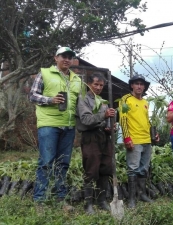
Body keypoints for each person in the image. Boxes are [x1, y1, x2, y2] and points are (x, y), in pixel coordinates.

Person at [29, 47, 81, 212]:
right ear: (55, 58)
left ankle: (61, 200)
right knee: (46, 162)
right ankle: (39, 201)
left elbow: (79, 103)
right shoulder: (44, 73)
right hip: (49, 124)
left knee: (63, 164)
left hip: (69, 126)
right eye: (63, 56)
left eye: (70, 57)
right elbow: (32, 95)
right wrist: (50, 100)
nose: (67, 59)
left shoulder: (76, 79)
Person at [76, 73, 115, 214]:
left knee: (106, 168)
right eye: (95, 85)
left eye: (101, 85)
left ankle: (102, 200)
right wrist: (103, 116)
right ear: (89, 84)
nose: (98, 88)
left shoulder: (103, 102)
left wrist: (109, 127)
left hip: (104, 137)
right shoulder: (83, 99)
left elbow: (105, 121)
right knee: (91, 169)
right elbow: (86, 120)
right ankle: (88, 203)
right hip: (90, 137)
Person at [120, 74, 156, 208]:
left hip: (146, 140)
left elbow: (147, 120)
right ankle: (131, 199)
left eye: (142, 84)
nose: (139, 86)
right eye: (137, 83)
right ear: (132, 85)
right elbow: (123, 119)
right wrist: (127, 137)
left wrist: (153, 134)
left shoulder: (145, 103)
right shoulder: (126, 100)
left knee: (143, 169)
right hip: (134, 140)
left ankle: (141, 194)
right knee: (133, 169)